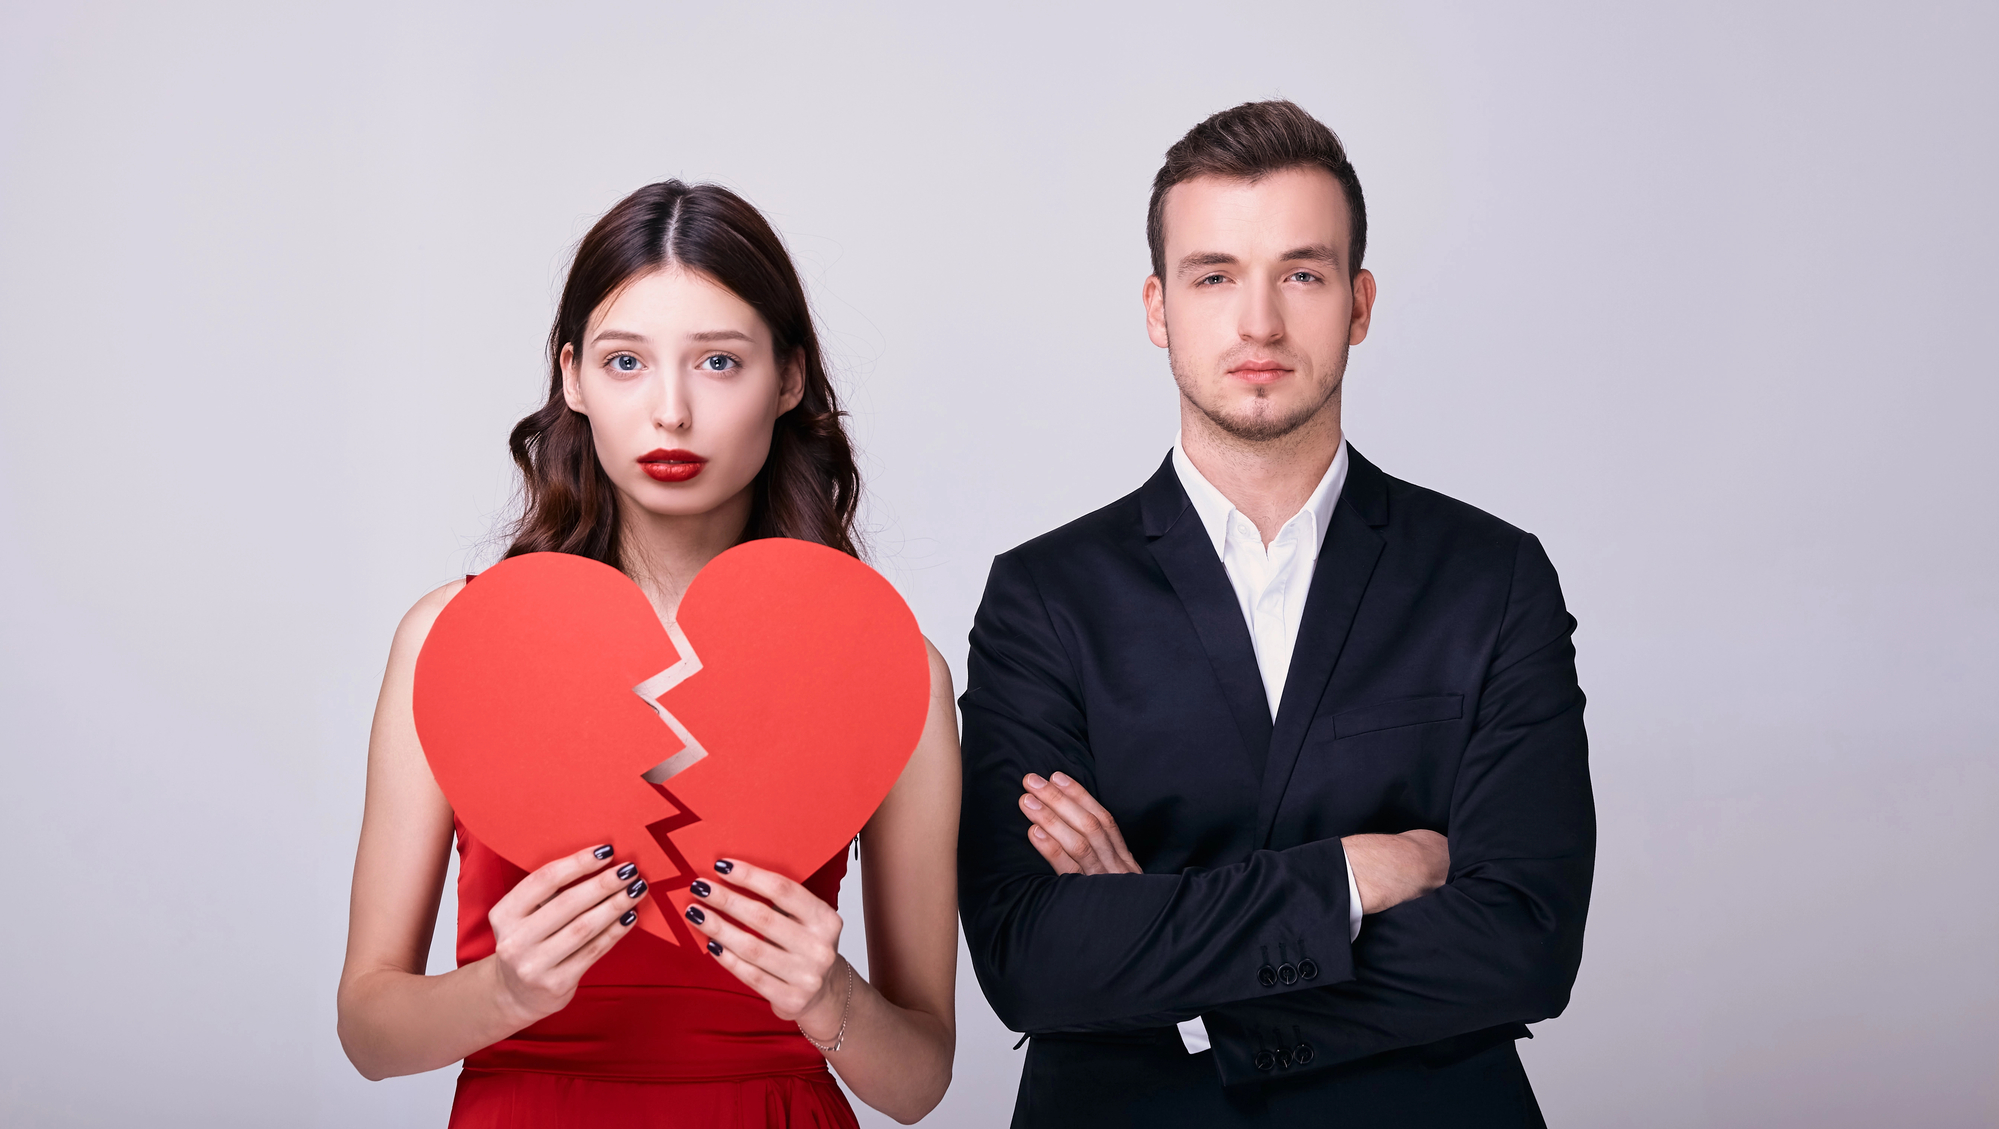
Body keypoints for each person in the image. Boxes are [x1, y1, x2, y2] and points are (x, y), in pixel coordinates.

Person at [958, 101, 1594, 1127]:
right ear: (1159, 307)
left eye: (1301, 273)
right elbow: (1033, 958)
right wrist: (1349, 874)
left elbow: (1522, 940)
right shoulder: (1044, 595)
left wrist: (1167, 968)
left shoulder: (1492, 578)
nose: (1258, 324)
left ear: (1358, 302)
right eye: (1215, 277)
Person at [337, 181, 960, 1128]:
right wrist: (506, 990)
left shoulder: (889, 669)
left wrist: (828, 992)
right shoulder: (452, 640)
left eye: (718, 360)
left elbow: (918, 1082)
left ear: (789, 378)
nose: (670, 411)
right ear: (573, 377)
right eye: (626, 361)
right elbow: (368, 1030)